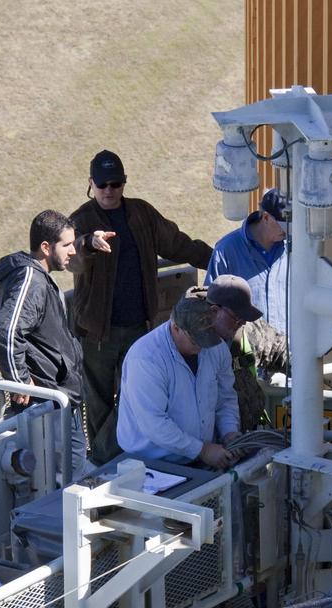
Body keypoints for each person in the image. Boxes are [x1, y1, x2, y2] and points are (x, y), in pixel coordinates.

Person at [71, 149, 213, 463]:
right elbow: (72, 260)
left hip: (138, 327)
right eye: (103, 184)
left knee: (133, 399)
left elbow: (177, 243)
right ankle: (102, 463)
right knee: (98, 402)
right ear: (91, 184)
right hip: (97, 333)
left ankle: (119, 455)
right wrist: (88, 244)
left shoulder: (141, 214)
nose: (109, 190)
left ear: (124, 182)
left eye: (116, 183)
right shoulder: (81, 220)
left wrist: (217, 259)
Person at [0, 209, 106, 482]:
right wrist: (19, 380)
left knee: (68, 483)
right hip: (49, 407)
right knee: (65, 490)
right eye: (66, 245)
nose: (72, 252)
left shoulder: (34, 277)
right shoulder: (31, 282)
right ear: (45, 247)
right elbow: (6, 333)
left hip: (58, 402)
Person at [116, 292, 240, 468]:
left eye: (207, 337)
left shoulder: (216, 348)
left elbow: (225, 398)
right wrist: (202, 450)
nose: (201, 347)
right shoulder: (145, 359)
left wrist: (230, 432)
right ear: (175, 328)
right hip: (149, 464)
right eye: (195, 340)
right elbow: (155, 424)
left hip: (199, 459)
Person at [195, 276, 285, 432]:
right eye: (237, 317)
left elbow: (278, 349)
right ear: (215, 311)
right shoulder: (190, 342)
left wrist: (303, 363)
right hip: (210, 444)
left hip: (251, 432)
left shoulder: (247, 329)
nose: (243, 322)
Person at [205, 188, 287, 285]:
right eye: (283, 226)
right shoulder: (225, 251)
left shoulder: (293, 248)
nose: (287, 231)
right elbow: (212, 296)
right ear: (266, 218)